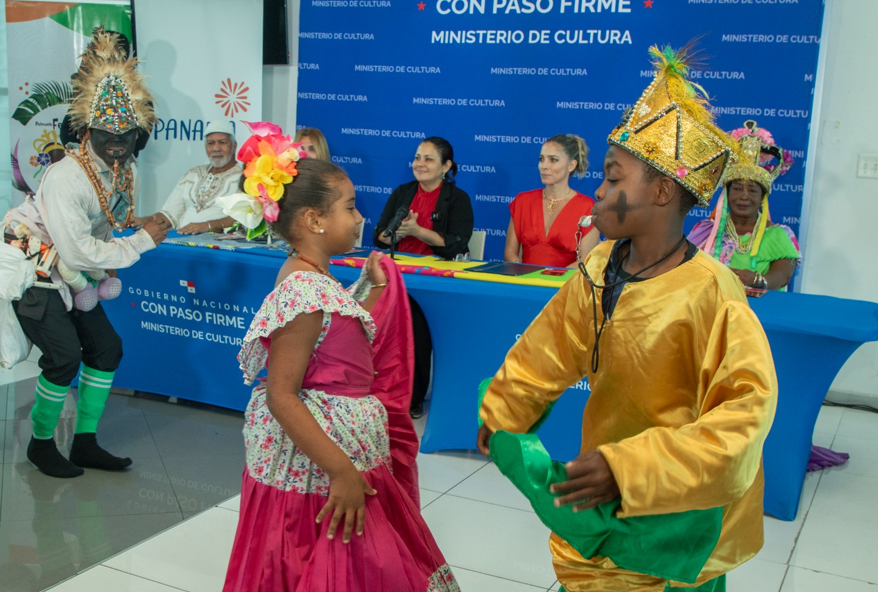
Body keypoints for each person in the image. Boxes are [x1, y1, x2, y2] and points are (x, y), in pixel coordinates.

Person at [477, 46, 777, 591]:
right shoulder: (598, 266)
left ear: (662, 190)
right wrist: (504, 411)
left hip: (678, 522)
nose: (599, 191)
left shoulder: (714, 293)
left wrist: (631, 469)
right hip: (603, 503)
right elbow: (546, 351)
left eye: (614, 179)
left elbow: (744, 417)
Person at [221, 122, 457, 591]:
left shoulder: (312, 280)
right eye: (349, 208)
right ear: (313, 220)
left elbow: (336, 342)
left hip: (338, 450)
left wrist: (371, 288)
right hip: (322, 464)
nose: (359, 217)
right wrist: (341, 472)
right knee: (325, 556)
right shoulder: (303, 291)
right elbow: (283, 396)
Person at [4, 28, 167, 479]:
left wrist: (133, 225)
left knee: (107, 350)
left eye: (126, 134)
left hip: (72, 270)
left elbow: (102, 227)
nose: (117, 141)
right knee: (63, 356)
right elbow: (78, 250)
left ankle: (86, 443)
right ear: (86, 130)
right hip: (32, 265)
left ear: (138, 135)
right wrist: (145, 239)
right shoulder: (66, 176)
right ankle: (40, 445)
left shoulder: (122, 167)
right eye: (106, 133)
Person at [373, 137, 473, 418]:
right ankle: (379, 389)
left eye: (429, 158)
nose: (420, 163)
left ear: (446, 166)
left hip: (434, 281)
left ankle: (411, 398)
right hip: (397, 273)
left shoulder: (458, 199)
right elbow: (379, 236)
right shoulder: (403, 192)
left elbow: (457, 244)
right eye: (417, 157)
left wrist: (418, 232)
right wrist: (395, 233)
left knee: (415, 325)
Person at [688, 120, 800, 291]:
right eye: (738, 189)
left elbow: (782, 277)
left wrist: (755, 280)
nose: (744, 196)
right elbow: (687, 271)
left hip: (759, 312)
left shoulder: (778, 234)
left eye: (753, 191)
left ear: (762, 197)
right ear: (726, 194)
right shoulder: (706, 231)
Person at [505, 134, 600, 267]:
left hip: (564, 285)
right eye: (541, 159)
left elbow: (584, 262)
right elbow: (510, 252)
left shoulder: (587, 208)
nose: (544, 166)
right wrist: (524, 275)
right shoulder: (522, 201)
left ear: (571, 165)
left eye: (553, 160)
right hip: (525, 283)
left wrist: (551, 279)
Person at [133, 121, 242, 234]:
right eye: (210, 143)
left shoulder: (245, 177)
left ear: (234, 146)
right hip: (182, 238)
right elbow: (169, 215)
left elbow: (244, 219)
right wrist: (146, 220)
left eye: (222, 142)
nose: (216, 148)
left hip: (219, 244)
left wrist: (208, 226)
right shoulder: (193, 174)